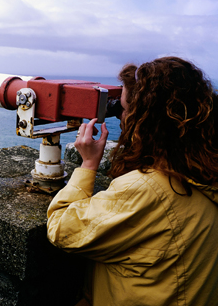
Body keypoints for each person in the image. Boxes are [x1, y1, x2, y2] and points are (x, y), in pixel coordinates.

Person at [47, 56, 218, 306]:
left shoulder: (146, 189)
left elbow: (62, 229)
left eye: (125, 109)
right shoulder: (203, 171)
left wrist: (88, 164)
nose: (121, 118)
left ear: (146, 118)